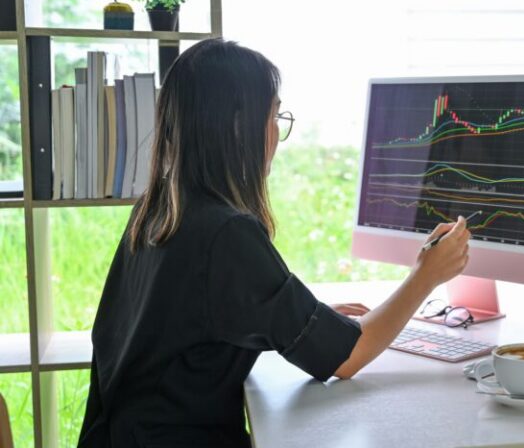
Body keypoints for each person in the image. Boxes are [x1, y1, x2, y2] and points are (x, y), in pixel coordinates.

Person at [77, 38, 470, 448]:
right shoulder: (227, 233)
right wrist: (427, 275)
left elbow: (191, 327)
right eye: (272, 114)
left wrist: (298, 321)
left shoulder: (158, 208)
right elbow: (348, 357)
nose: (276, 131)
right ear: (236, 126)